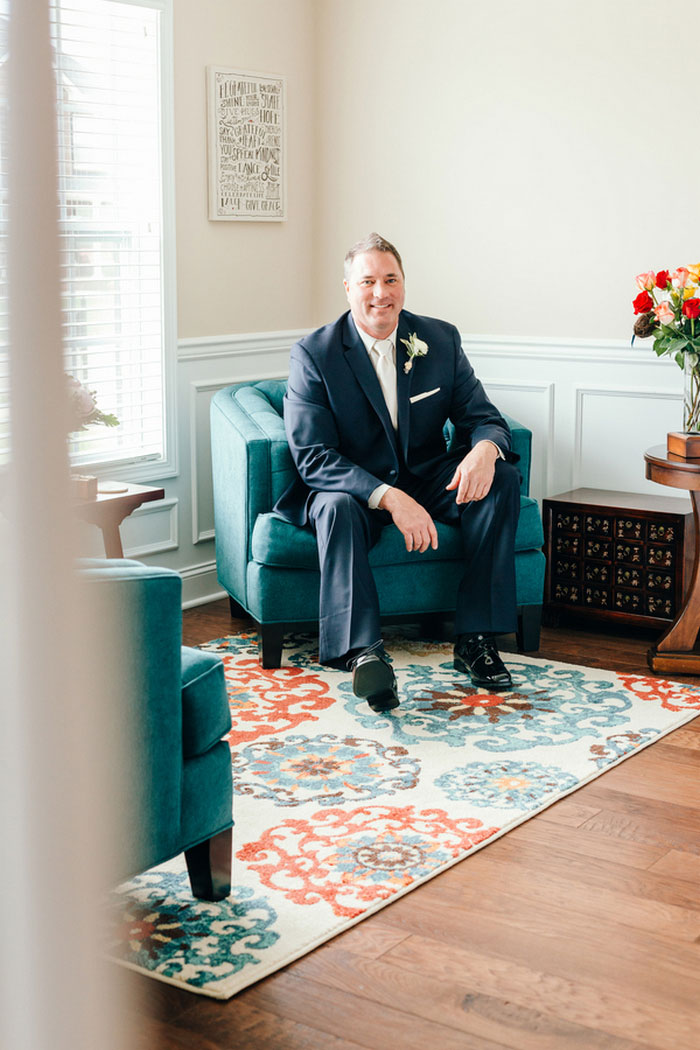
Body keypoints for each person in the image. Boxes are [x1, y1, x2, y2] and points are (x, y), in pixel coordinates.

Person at [274, 232, 520, 712]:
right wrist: (388, 496)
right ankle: (364, 655)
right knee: (336, 507)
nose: (380, 293)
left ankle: (475, 640)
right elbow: (313, 456)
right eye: (368, 281)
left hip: (427, 477)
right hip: (350, 485)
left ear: (404, 284)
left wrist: (486, 449)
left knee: (501, 480)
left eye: (391, 279)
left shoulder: (439, 339)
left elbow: (484, 416)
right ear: (348, 288)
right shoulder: (314, 354)